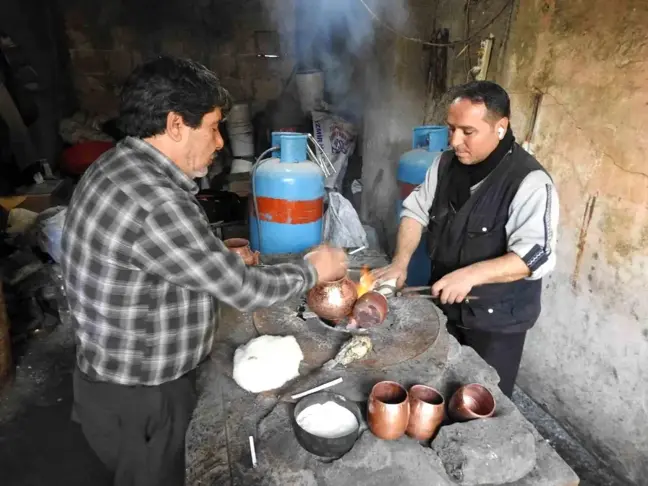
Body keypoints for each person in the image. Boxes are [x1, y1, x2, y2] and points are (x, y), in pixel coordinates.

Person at [59, 56, 347, 486]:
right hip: (143, 397)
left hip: (112, 381)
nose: (219, 143)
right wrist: (312, 269)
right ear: (176, 125)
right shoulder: (157, 200)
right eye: (213, 127)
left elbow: (153, 258)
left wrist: (215, 259)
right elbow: (243, 291)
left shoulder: (117, 167)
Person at [373, 81, 559, 398]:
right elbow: (415, 212)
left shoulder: (529, 181)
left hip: (496, 321)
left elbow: (534, 257)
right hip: (446, 308)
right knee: (438, 388)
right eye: (451, 129)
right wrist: (400, 262)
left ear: (500, 128)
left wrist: (471, 275)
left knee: (481, 400)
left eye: (467, 132)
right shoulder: (444, 164)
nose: (455, 141)